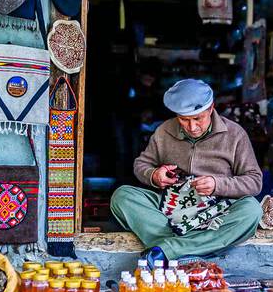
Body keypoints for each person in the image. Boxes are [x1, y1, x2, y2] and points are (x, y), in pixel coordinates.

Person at [110, 79, 263, 266]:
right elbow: (141, 164)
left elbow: (254, 181)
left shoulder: (235, 134)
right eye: (184, 120)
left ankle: (167, 251)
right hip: (170, 208)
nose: (192, 127)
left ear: (211, 109)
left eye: (198, 118)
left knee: (252, 210)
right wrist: (154, 175)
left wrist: (217, 184)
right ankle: (189, 248)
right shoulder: (164, 131)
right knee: (122, 196)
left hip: (216, 212)